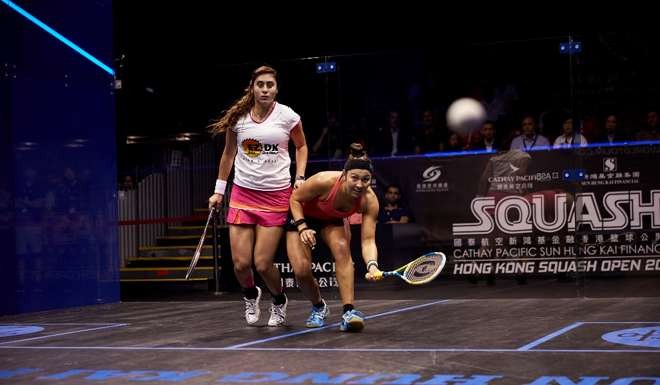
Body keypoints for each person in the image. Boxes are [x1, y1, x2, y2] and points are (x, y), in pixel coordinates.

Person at [208, 65, 308, 327]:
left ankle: (278, 299)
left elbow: (302, 146)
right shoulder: (238, 118)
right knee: (241, 265)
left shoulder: (288, 117)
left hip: (275, 197)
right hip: (242, 194)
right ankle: (251, 294)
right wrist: (219, 191)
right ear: (252, 87)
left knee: (263, 264)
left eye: (270, 85)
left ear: (277, 88)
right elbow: (228, 154)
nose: (265, 89)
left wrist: (300, 177)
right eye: (260, 84)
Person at [286, 143, 383, 332]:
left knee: (342, 250)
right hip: (302, 217)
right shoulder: (324, 180)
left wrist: (372, 264)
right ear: (344, 175)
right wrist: (302, 227)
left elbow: (368, 240)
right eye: (354, 178)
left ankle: (349, 312)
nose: (359, 184)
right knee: (301, 270)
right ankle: (319, 306)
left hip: (331, 219)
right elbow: (295, 199)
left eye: (366, 179)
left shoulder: (369, 201)